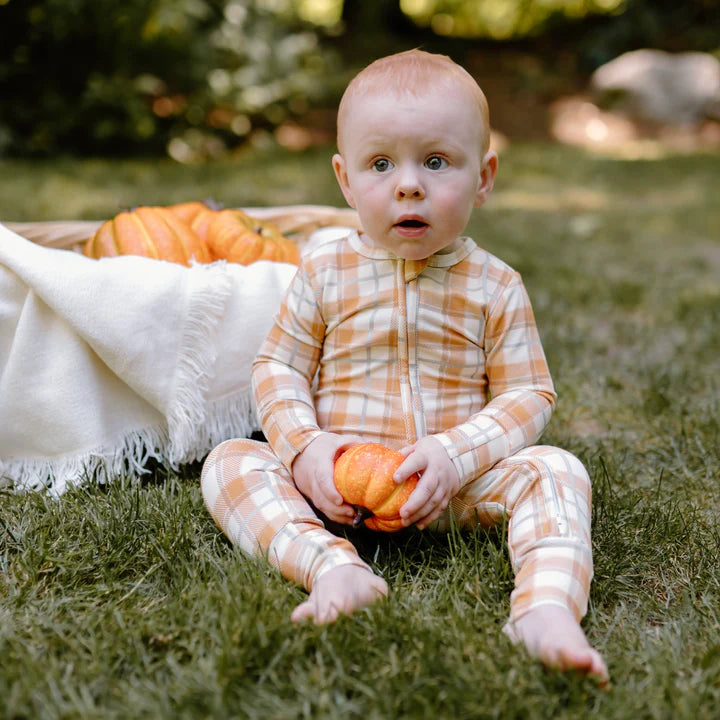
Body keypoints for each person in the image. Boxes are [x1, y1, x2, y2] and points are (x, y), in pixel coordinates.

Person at [201, 49, 608, 685]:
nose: (409, 184)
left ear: (484, 176)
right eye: (381, 164)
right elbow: (277, 366)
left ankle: (545, 608)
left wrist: (456, 454)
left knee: (556, 469)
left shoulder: (494, 286)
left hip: (450, 489)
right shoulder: (323, 272)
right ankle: (335, 568)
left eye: (437, 162)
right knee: (232, 460)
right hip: (335, 488)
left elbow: (529, 392)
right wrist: (306, 451)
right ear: (344, 179)